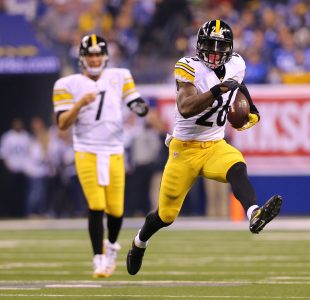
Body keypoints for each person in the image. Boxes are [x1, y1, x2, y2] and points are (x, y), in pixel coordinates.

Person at [126, 19, 282, 276]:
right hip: (183, 150)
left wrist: (249, 110)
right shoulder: (188, 68)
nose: (213, 52)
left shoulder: (237, 64)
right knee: (166, 215)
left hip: (213, 144)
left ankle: (254, 214)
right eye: (209, 45)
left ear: (230, 49)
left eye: (220, 47)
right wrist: (216, 91)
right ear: (199, 45)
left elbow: (238, 86)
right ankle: (139, 241)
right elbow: (185, 108)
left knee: (237, 165)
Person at [52, 34, 149, 278]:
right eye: (90, 55)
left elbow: (134, 100)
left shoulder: (120, 76)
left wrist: (139, 108)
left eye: (98, 54)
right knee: (96, 204)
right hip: (86, 149)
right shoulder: (66, 84)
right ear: (82, 58)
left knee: (116, 209)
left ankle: (111, 250)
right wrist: (79, 104)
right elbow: (62, 124)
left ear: (105, 56)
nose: (94, 59)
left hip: (114, 150)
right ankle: (98, 258)